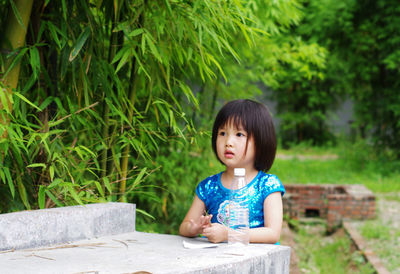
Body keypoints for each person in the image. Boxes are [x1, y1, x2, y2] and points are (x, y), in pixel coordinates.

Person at [179, 99, 285, 244]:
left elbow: (272, 234)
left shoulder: (267, 185)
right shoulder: (209, 186)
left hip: (258, 262)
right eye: (222, 133)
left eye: (239, 134)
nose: (228, 142)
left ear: (261, 142)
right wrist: (195, 228)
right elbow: (184, 227)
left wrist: (228, 234)